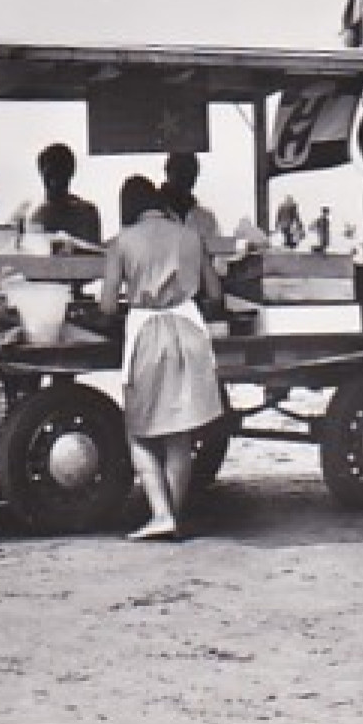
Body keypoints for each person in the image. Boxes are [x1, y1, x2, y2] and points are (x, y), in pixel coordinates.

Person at [99, 176, 224, 541]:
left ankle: (160, 512)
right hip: (190, 331)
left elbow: (107, 306)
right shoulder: (189, 236)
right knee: (179, 434)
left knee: (138, 431)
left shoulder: (121, 242)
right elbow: (214, 292)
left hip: (147, 335)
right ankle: (174, 513)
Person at [29, 143, 102, 250]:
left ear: (70, 173)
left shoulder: (86, 214)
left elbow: (94, 257)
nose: (53, 182)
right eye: (49, 175)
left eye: (59, 174)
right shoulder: (38, 217)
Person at [159, 152, 221, 244]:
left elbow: (216, 253)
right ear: (167, 171)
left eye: (190, 173)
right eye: (180, 171)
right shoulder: (153, 215)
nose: (185, 177)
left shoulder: (206, 219)